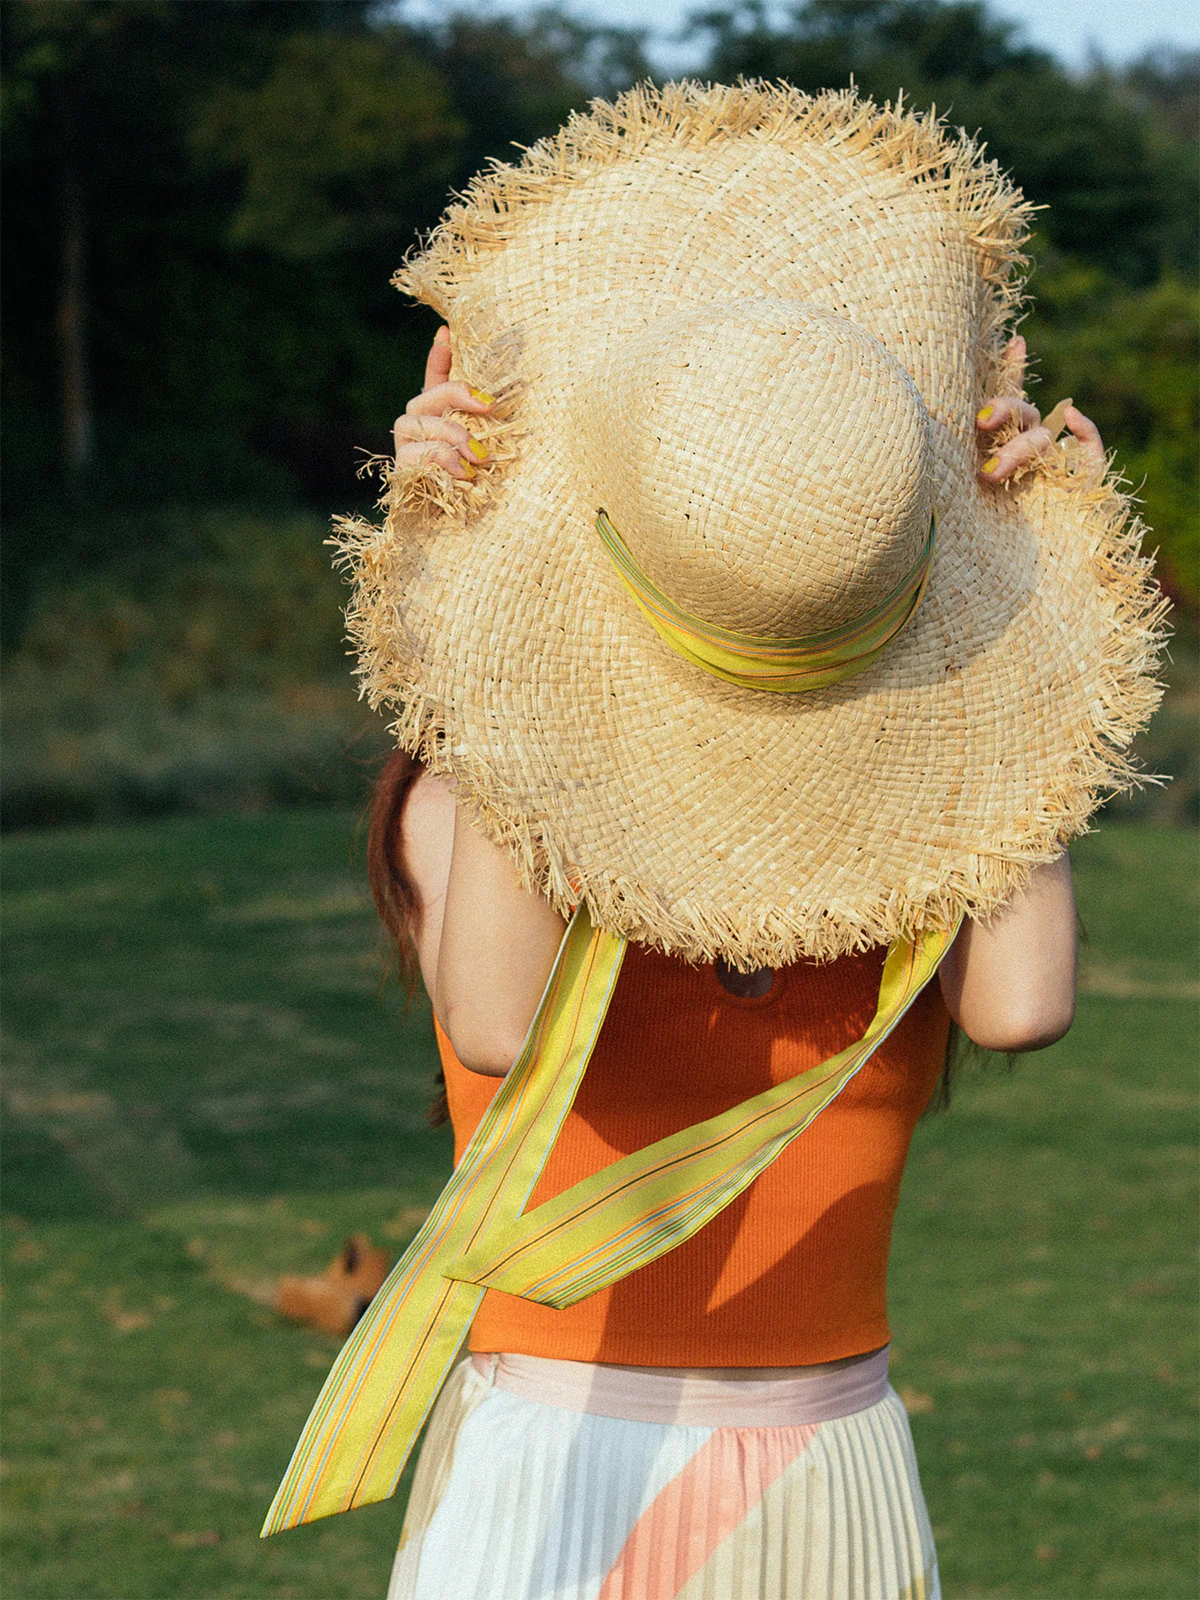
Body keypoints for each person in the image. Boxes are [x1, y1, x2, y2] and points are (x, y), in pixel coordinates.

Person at [261, 82, 1166, 1599]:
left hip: (827, 1452)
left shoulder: (917, 827)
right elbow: (495, 1021)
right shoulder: (465, 799)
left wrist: (1026, 621)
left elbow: (1022, 1004)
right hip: (557, 1454)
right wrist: (495, 622)